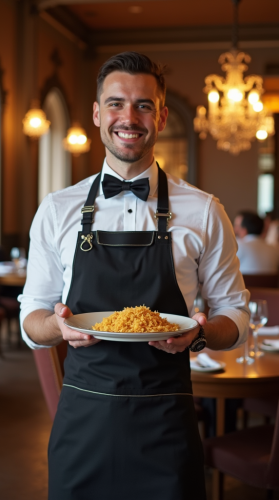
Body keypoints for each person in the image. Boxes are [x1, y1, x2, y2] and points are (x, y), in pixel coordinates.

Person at [19, 52, 249, 500]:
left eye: (143, 105)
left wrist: (198, 336)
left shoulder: (204, 210)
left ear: (161, 115)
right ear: (97, 114)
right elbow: (32, 318)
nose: (129, 117)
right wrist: (57, 327)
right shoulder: (57, 209)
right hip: (83, 422)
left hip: (166, 423)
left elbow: (235, 317)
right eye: (116, 103)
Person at [233, 210, 279, 274]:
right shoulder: (274, 250)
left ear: (244, 230)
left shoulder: (237, 247)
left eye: (237, 226)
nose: (235, 229)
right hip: (269, 284)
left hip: (245, 284)